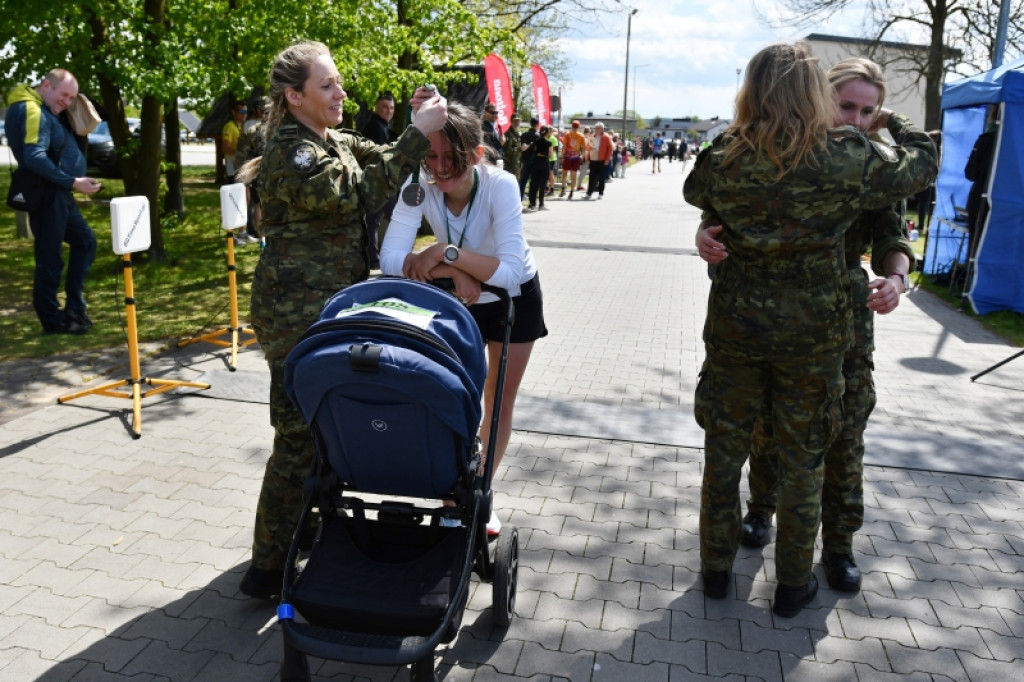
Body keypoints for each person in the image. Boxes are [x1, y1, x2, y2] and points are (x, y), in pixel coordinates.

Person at [683, 42, 937, 618]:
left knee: (724, 450)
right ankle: (793, 585)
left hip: (738, 326)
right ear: (816, 95)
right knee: (806, 456)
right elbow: (920, 167)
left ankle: (717, 571)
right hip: (814, 334)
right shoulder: (848, 156)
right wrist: (898, 125)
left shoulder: (727, 151)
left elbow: (699, 193)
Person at [235, 40, 447, 599]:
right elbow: (358, 191)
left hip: (328, 305)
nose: (340, 92)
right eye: (326, 85)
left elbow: (374, 156)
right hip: (293, 312)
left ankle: (304, 535)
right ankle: (265, 568)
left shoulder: (327, 138)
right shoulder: (292, 151)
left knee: (326, 428)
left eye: (338, 82)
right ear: (294, 95)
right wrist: (417, 134)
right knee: (298, 436)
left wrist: (411, 123)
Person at [380, 101, 547, 536]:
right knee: (457, 391)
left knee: (497, 398)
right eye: (430, 157)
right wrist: (452, 269)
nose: (438, 168)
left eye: (450, 159)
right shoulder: (419, 184)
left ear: (475, 154)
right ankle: (457, 484)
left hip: (513, 298)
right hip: (462, 294)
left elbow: (510, 271)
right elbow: (391, 258)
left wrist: (445, 253)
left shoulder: (502, 185)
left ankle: (482, 493)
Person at [4, 68, 101, 335]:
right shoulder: (32, 111)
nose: (67, 103)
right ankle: (52, 320)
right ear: (46, 85)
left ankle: (74, 306)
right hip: (48, 195)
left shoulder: (42, 108)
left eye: (72, 98)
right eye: (64, 96)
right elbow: (34, 157)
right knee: (50, 258)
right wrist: (73, 182)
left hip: (58, 193)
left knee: (85, 242)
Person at [360, 92, 399, 268]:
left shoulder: (381, 126)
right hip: (381, 183)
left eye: (391, 108)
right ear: (376, 107)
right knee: (392, 219)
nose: (388, 111)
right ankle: (382, 258)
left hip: (382, 182)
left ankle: (376, 258)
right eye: (384, 107)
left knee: (376, 222)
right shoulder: (375, 127)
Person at [235, 98, 266, 246]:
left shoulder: (252, 130)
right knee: (260, 205)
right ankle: (264, 239)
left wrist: (242, 173)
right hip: (268, 173)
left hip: (254, 172)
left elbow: (242, 154)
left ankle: (263, 239)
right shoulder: (281, 129)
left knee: (258, 205)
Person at [526, 125, 553, 211]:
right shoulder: (549, 143)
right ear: (547, 132)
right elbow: (551, 155)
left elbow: (535, 150)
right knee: (543, 184)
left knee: (534, 183)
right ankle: (541, 204)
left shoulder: (536, 141)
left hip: (537, 161)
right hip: (544, 162)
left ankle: (532, 203)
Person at [584, 122, 612, 200]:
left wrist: (607, 159)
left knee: (601, 178)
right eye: (595, 128)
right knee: (591, 177)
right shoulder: (592, 136)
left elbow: (610, 149)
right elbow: (587, 147)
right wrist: (587, 158)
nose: (596, 130)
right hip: (593, 160)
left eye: (598, 128)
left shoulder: (606, 137)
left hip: (602, 160)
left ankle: (601, 193)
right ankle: (589, 193)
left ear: (602, 129)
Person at [560, 120, 586, 199]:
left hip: (568, 156)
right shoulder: (581, 136)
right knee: (573, 175)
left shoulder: (567, 134)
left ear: (572, 126)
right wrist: (582, 156)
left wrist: (562, 156)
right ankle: (571, 192)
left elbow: (564, 146)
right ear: (578, 127)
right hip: (576, 157)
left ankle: (563, 189)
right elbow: (584, 148)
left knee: (564, 174)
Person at [519, 117, 540, 200]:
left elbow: (522, 146)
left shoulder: (524, 134)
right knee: (533, 181)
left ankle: (520, 197)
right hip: (534, 161)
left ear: (530, 124)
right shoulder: (538, 136)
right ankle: (532, 199)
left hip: (525, 160)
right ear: (537, 125)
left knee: (523, 181)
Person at [502, 113, 522, 181]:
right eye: (515, 121)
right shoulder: (508, 134)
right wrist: (520, 149)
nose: (517, 123)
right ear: (511, 121)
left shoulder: (517, 134)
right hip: (509, 167)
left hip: (516, 166)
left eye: (518, 121)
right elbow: (507, 151)